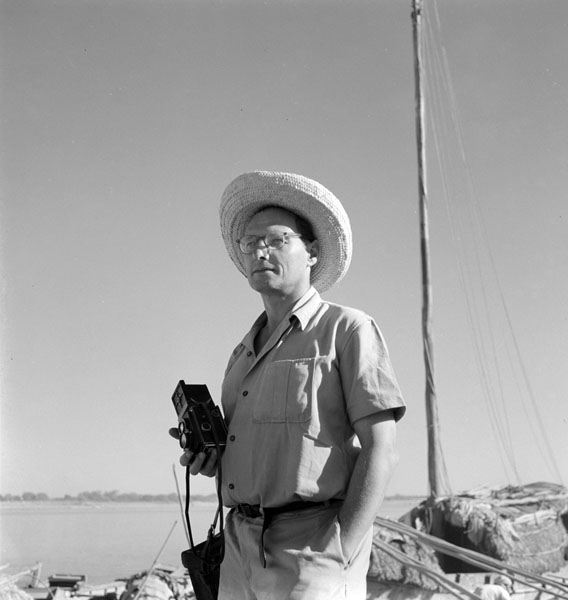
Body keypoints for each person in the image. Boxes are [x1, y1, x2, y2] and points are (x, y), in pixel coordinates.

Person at [174, 171, 406, 599]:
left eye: (277, 239)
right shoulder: (241, 353)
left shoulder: (347, 329)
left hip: (313, 548)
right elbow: (253, 452)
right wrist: (210, 459)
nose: (260, 250)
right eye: (250, 242)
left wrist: (343, 547)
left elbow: (382, 448)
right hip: (238, 548)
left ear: (312, 251)